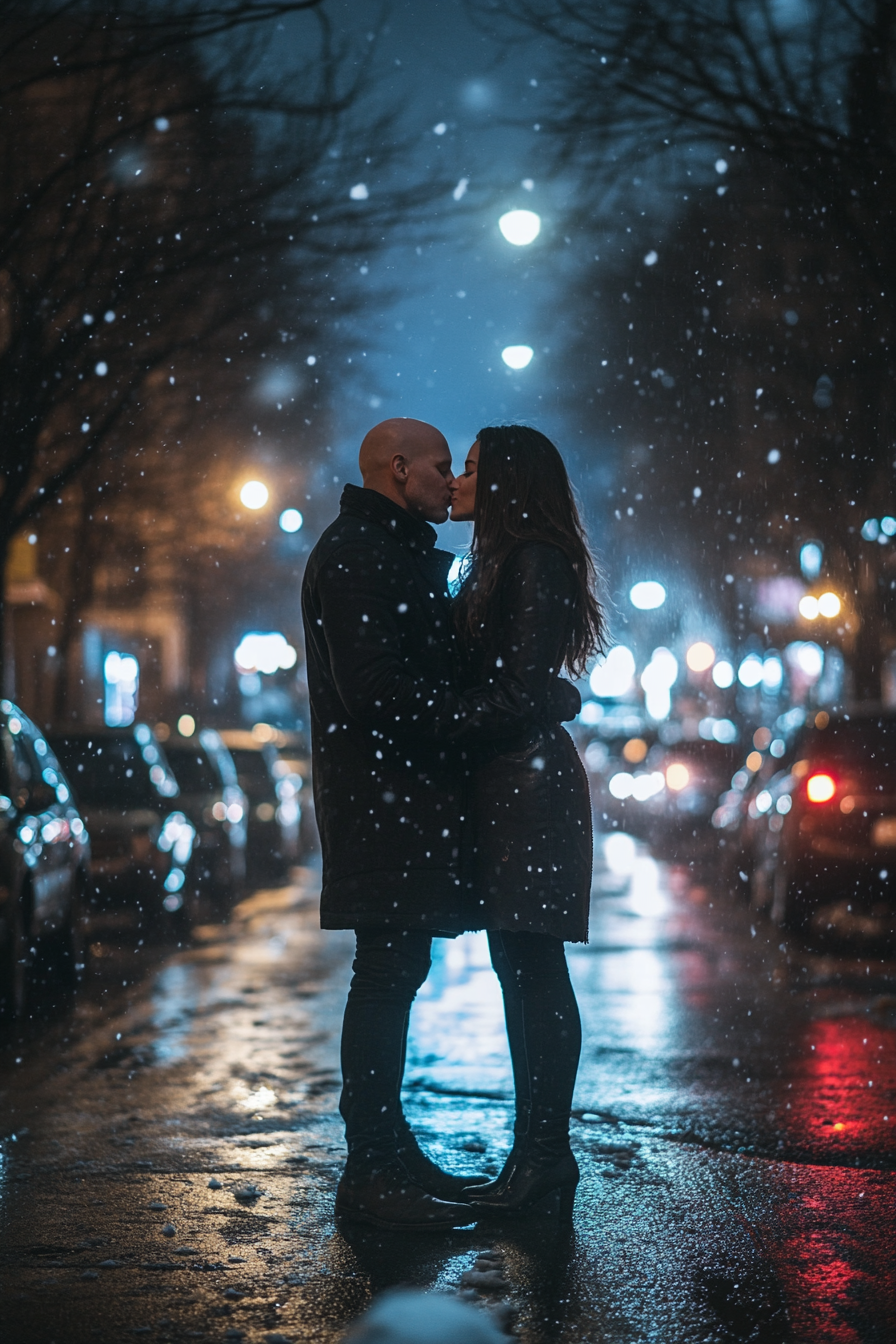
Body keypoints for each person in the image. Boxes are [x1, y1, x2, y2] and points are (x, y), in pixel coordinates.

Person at [301, 418, 579, 1232]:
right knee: (388, 974)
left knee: (410, 972)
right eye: (441, 465)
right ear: (400, 470)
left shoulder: (404, 553)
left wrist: (531, 696)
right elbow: (381, 693)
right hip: (386, 799)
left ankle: (399, 1157)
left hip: (411, 798)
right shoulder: (360, 553)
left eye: (466, 469)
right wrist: (518, 702)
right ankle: (376, 1169)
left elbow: (484, 672)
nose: (451, 479)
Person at [448, 425, 605, 1218]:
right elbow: (524, 687)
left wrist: (436, 717)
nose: (456, 480)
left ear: (506, 481)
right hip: (513, 779)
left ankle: (545, 1155)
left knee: (534, 966)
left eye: (471, 468)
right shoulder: (499, 562)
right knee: (521, 966)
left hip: (530, 786)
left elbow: (517, 690)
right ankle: (536, 1154)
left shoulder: (533, 562)